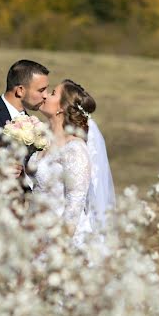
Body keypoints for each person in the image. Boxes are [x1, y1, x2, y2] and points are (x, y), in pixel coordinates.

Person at [28, 79, 115, 248]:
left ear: (62, 107)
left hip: (59, 241)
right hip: (34, 233)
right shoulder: (41, 140)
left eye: (52, 93)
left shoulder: (74, 149)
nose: (44, 95)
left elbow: (74, 207)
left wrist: (55, 248)